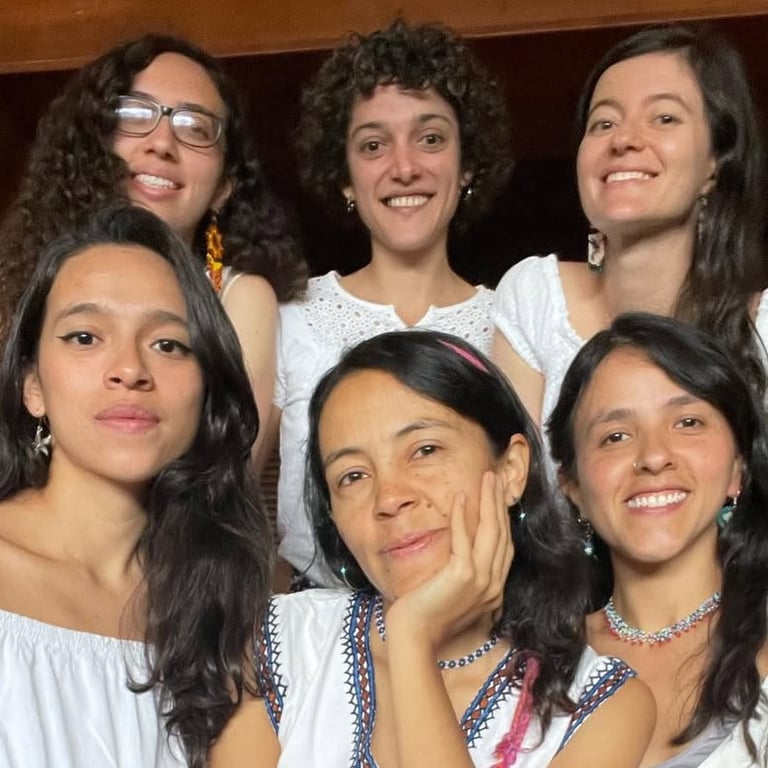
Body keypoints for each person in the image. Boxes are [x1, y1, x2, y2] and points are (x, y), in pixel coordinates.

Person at [211, 330, 654, 768]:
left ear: (511, 469)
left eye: (424, 450)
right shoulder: (277, 646)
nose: (389, 498)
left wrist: (411, 640)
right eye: (353, 476)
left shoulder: (601, 706)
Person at [0, 205, 272, 768]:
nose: (129, 369)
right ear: (33, 388)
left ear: (206, 391)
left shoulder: (222, 605)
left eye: (168, 344)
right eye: (84, 336)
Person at [275, 18, 514, 585]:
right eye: (374, 145)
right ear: (345, 179)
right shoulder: (290, 320)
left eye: (430, 138)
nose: (404, 167)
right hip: (323, 631)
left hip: (492, 630)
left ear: (468, 163)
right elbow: (221, 497)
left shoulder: (516, 319)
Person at [0, 35, 306, 467]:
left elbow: (225, 483)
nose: (162, 142)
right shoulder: (14, 285)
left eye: (195, 127)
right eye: (133, 114)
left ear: (224, 185)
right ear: (93, 148)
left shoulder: (241, 299)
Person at [493, 24, 768, 442]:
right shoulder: (536, 299)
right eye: (603, 123)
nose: (623, 139)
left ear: (715, 163)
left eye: (664, 118)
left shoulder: (763, 329)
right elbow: (512, 490)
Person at [548, 312, 768, 767]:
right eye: (615, 436)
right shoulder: (530, 665)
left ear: (737, 467)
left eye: (687, 422)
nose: (652, 457)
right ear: (572, 487)